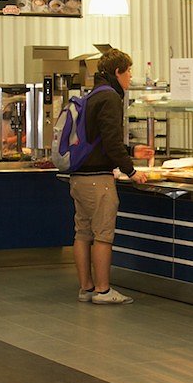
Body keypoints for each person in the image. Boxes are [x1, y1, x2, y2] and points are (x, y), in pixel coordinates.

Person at [69, 49, 153, 305]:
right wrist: (132, 171)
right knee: (103, 235)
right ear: (118, 72)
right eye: (129, 71)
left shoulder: (92, 95)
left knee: (82, 233)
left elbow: (101, 140)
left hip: (79, 176)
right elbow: (111, 142)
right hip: (98, 180)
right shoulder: (110, 97)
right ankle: (103, 291)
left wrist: (131, 151)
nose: (131, 76)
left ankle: (86, 288)